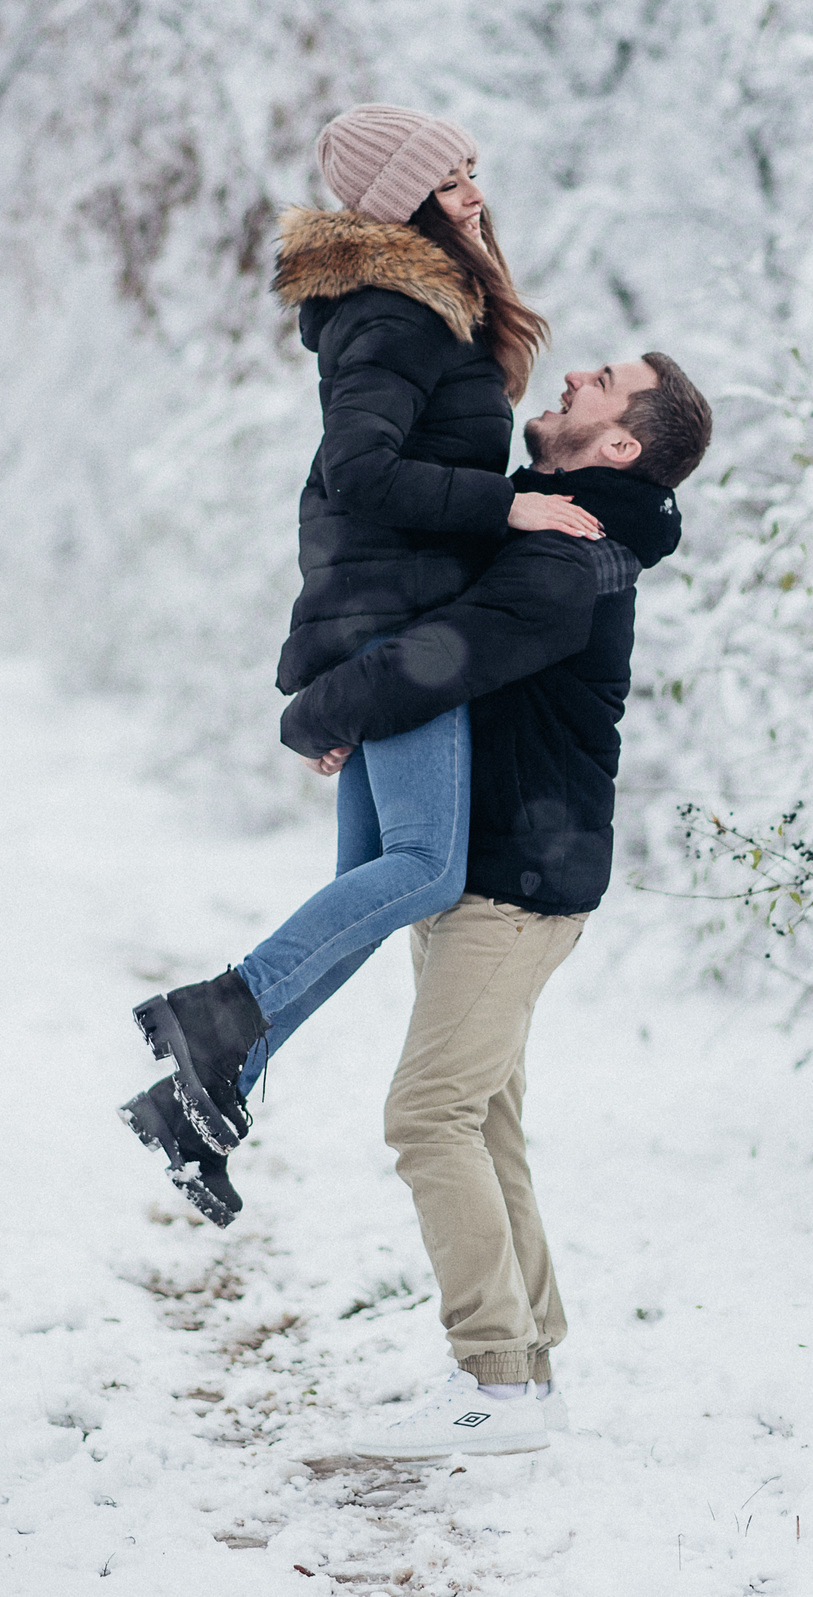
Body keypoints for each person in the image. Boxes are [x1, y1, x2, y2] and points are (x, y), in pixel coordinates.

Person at [119, 104, 596, 1223]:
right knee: (425, 871)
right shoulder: (392, 314)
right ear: (404, 203)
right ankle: (219, 1009)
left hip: (388, 616)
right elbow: (357, 473)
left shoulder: (426, 309)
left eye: (475, 171)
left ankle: (201, 1088)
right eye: (454, 178)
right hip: (402, 622)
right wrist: (509, 504)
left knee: (369, 889)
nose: (477, 193)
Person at [280, 353, 715, 1459]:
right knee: (482, 1117)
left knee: (426, 1115)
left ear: (619, 443)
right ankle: (526, 1369)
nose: (572, 373)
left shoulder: (572, 559)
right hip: (503, 876)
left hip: (514, 888)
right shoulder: (562, 532)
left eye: (603, 379)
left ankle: (493, 1384)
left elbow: (441, 654)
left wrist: (321, 710)